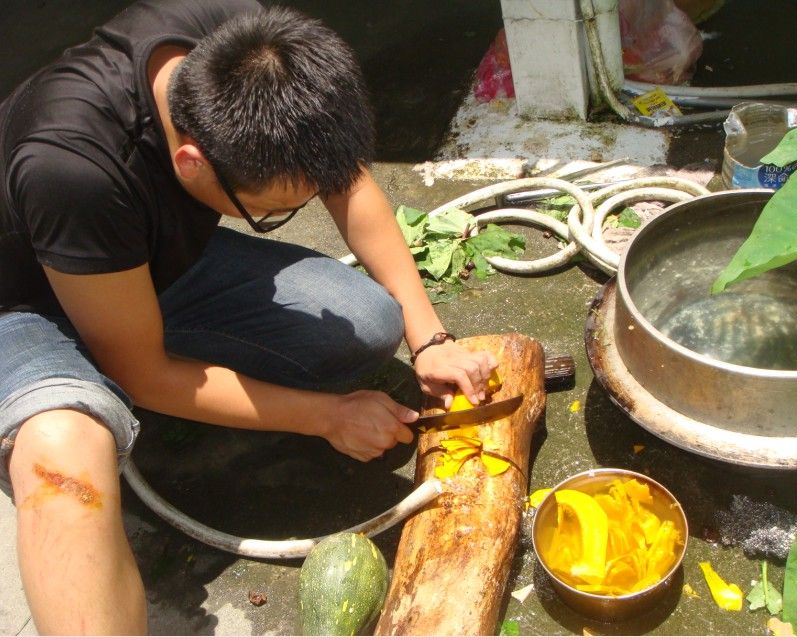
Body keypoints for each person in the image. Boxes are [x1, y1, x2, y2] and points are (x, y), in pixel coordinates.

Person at [0, 1, 497, 633]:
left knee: (370, 322)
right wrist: (326, 416)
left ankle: (136, 361)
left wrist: (430, 339)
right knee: (65, 455)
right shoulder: (73, 169)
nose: (298, 208)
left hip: (138, 256)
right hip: (22, 300)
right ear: (192, 162)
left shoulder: (242, 40)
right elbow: (143, 373)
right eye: (274, 212)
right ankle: (56, 393)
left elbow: (344, 179)